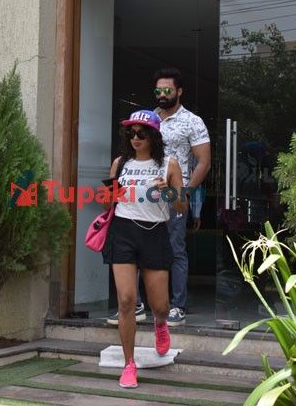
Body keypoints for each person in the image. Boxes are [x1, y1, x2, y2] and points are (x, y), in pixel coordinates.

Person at [102, 109, 187, 389]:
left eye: (141, 133)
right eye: (131, 133)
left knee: (159, 306)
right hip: (123, 232)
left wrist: (168, 192)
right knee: (126, 300)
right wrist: (108, 194)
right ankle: (129, 364)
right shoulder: (120, 163)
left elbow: (182, 206)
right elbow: (107, 203)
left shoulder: (169, 164)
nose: (135, 138)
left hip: (154, 234)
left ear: (153, 136)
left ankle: (160, 325)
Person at [154, 67, 211, 326]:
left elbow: (204, 162)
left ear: (179, 91)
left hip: (175, 194)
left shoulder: (192, 121)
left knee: (175, 249)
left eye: (167, 90)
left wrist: (186, 192)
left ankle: (177, 306)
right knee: (144, 248)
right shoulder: (149, 119)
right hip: (147, 194)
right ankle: (142, 304)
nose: (162, 94)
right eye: (158, 90)